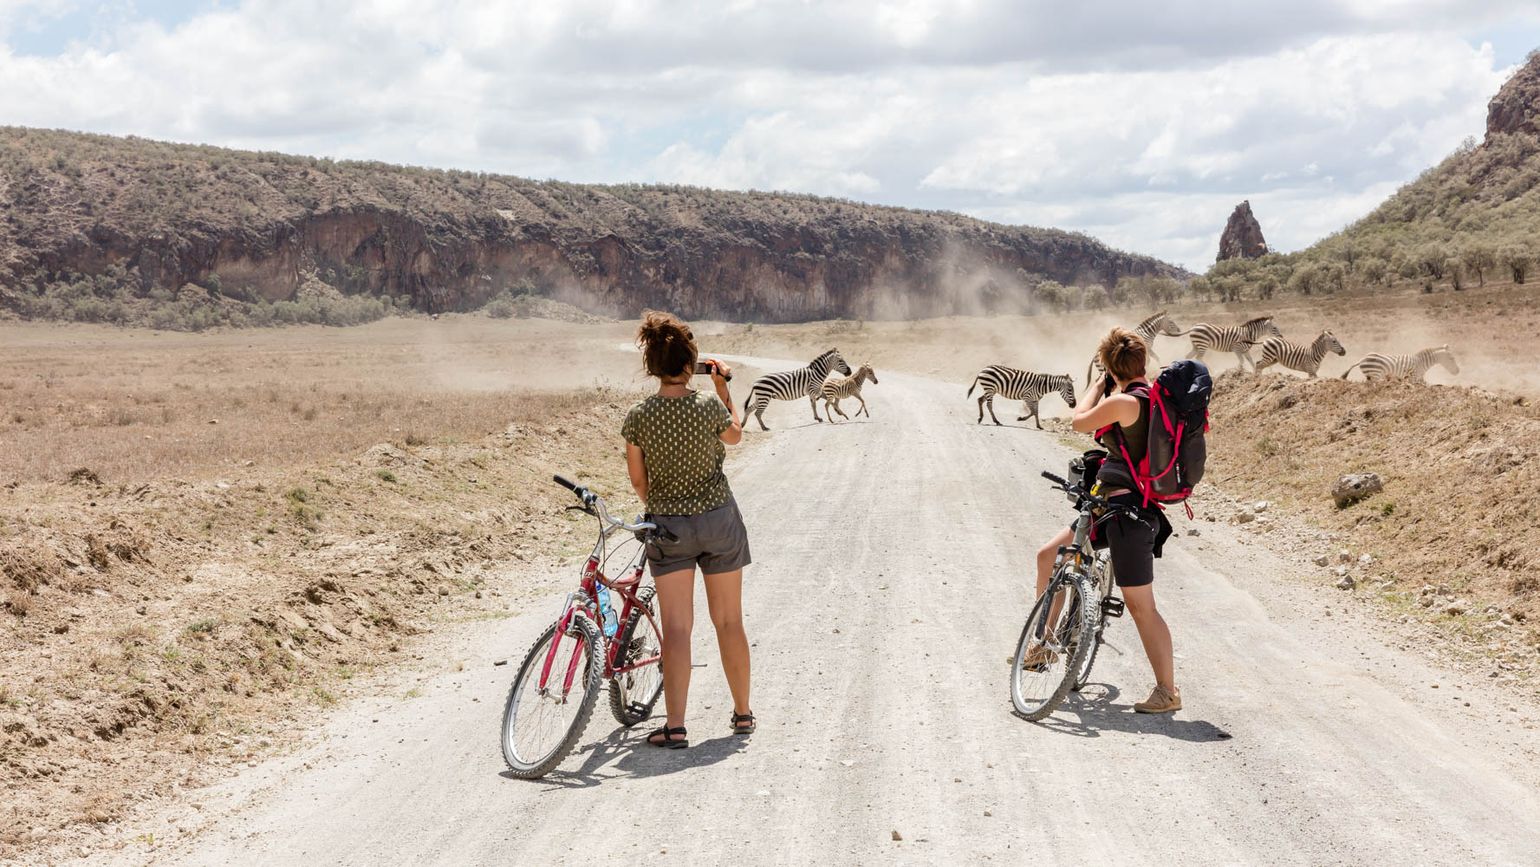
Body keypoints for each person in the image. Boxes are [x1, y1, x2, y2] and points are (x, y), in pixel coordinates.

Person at [623, 310, 754, 749]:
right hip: (719, 520)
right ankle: (741, 715)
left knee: (677, 628)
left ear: (652, 366)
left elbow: (638, 481)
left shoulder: (640, 416)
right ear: (688, 364)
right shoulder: (707, 405)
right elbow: (734, 437)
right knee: (729, 620)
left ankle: (675, 725)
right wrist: (722, 388)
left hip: (668, 528)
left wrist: (662, 509)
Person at [1032, 327, 1180, 713]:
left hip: (1129, 515)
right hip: (1106, 507)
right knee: (1049, 556)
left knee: (1140, 606)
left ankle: (1167, 691)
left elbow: (1078, 421)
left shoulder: (1130, 401)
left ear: (1112, 368)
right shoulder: (1144, 396)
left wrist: (1099, 385)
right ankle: (1044, 647)